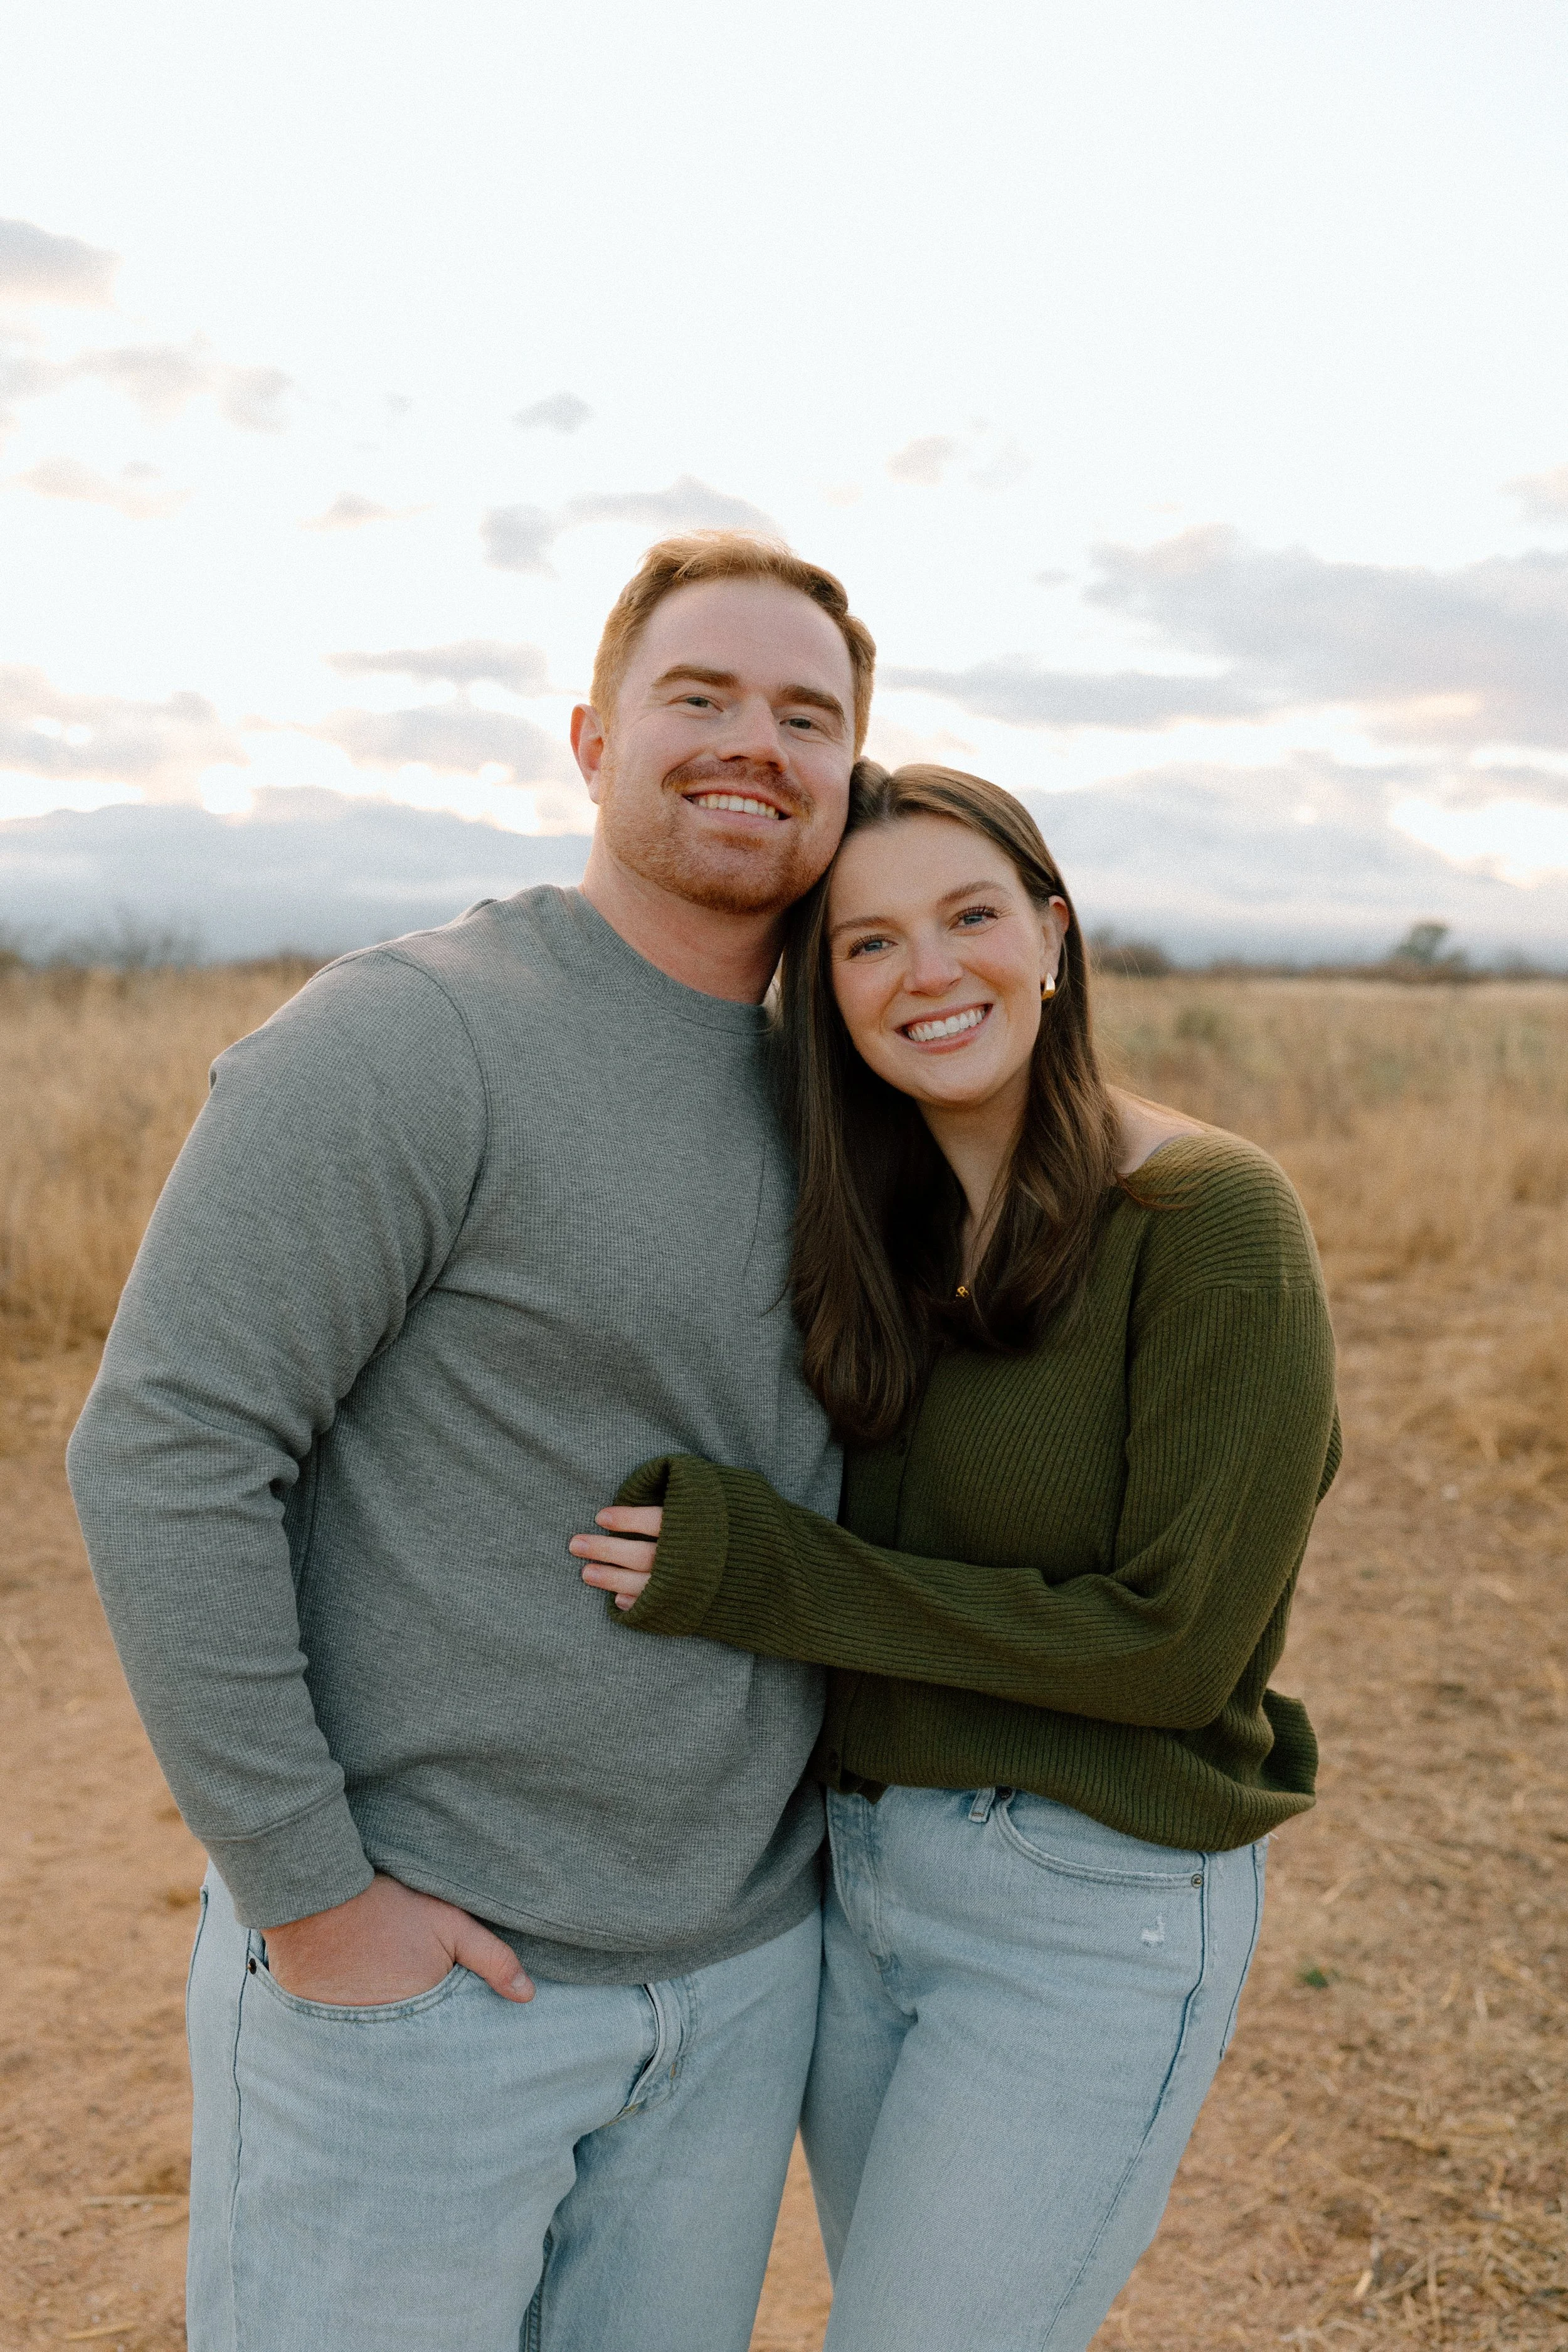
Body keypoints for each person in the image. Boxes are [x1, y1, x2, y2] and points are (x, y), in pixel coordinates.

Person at [66, 531, 875, 2352]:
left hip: (737, 1980)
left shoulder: (849, 1099)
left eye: (803, 714)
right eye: (701, 696)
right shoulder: (415, 1035)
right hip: (429, 1993)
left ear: (847, 773)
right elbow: (169, 1447)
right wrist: (317, 1900)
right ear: (592, 740)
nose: (753, 740)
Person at [573, 762, 1342, 2352]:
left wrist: (762, 1575)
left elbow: (1170, 1647)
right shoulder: (875, 1233)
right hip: (858, 1887)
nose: (926, 972)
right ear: (825, 991)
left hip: (1088, 1902)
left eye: (968, 916)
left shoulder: (1208, 1219)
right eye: (865, 943)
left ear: (1051, 937)